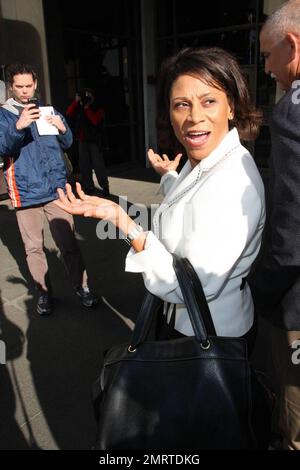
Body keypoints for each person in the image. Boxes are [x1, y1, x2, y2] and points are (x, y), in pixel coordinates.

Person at [56, 47, 265, 353]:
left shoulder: (232, 181)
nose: (194, 117)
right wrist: (169, 176)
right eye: (182, 104)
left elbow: (186, 286)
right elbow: (192, 202)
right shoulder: (210, 161)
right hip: (189, 324)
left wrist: (121, 220)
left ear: (231, 106)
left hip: (210, 338)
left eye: (209, 101)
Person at [0, 63, 98, 315]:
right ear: (11, 86)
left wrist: (63, 127)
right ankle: (43, 294)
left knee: (69, 245)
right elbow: (3, 147)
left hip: (56, 190)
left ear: (35, 85)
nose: (24, 91)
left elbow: (66, 142)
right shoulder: (4, 115)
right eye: (19, 86)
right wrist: (18, 126)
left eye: (28, 86)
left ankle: (82, 287)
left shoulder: (48, 110)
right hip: (25, 192)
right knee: (33, 248)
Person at [248, 0, 300, 451]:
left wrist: (262, 288)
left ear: (293, 45)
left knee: (293, 407)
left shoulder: (292, 113)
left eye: (267, 55)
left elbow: (291, 231)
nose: (266, 67)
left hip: (296, 304)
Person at [66, 88, 110, 196]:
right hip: (82, 140)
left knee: (98, 165)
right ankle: (88, 186)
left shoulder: (97, 107)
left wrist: (87, 108)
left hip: (95, 141)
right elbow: (68, 113)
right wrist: (76, 102)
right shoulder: (80, 107)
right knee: (84, 165)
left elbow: (95, 121)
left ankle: (105, 187)